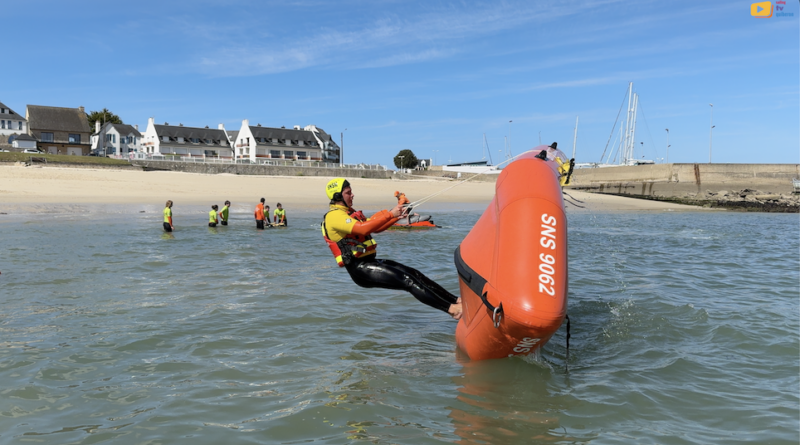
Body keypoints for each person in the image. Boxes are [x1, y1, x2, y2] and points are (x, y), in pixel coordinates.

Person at [322, 178, 462, 319]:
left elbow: (375, 229)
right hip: (359, 269)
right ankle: (452, 310)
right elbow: (363, 229)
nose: (352, 195)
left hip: (370, 262)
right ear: (338, 196)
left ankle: (455, 300)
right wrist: (390, 214)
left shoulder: (347, 214)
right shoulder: (334, 216)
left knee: (414, 274)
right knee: (407, 280)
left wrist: (397, 216)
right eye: (348, 193)